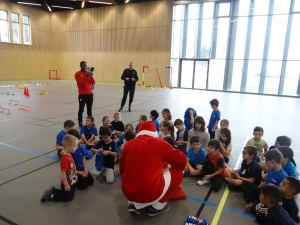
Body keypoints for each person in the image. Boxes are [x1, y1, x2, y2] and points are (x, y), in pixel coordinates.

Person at [120, 121, 186, 216]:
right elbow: (181, 160)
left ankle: (133, 204)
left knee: (134, 178)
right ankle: (157, 206)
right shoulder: (159, 142)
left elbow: (122, 171)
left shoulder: (128, 145)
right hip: (149, 192)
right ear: (154, 132)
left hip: (128, 192)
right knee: (178, 172)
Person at [41, 135, 78, 202]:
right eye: (75, 146)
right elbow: (63, 172)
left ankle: (54, 191)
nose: (76, 147)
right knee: (68, 197)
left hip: (71, 179)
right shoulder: (65, 159)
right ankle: (51, 196)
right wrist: (66, 184)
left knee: (70, 193)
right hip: (67, 182)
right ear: (68, 147)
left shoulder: (68, 153)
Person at [74, 61, 95, 128]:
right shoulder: (78, 73)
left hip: (90, 94)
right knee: (81, 109)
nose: (85, 66)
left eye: (85, 65)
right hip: (82, 94)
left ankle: (90, 122)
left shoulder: (88, 73)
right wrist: (86, 76)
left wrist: (91, 76)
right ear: (80, 66)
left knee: (89, 109)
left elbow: (93, 82)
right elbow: (80, 82)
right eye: (83, 65)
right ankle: (80, 122)